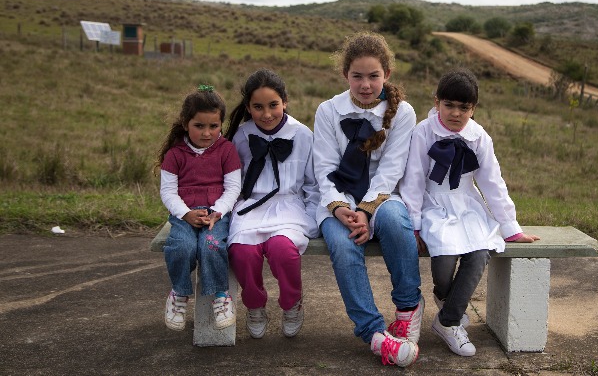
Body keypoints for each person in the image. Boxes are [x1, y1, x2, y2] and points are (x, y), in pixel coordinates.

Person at [399, 69, 540, 357]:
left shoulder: (479, 137)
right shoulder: (423, 132)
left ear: (473, 109)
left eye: (464, 108)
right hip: (432, 205)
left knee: (479, 252)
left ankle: (448, 321)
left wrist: (511, 227)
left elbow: (492, 183)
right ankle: (446, 298)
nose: (455, 113)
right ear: (437, 102)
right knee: (444, 258)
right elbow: (413, 180)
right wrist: (413, 223)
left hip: (467, 204)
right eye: (449, 105)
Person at [312, 32, 424, 368]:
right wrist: (343, 209)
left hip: (382, 196)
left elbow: (391, 171)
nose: (365, 84)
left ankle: (408, 310)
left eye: (373, 76)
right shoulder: (328, 111)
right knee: (344, 244)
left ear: (386, 74)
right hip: (337, 198)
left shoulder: (402, 113)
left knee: (394, 221)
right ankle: (375, 335)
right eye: (357, 76)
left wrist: (366, 209)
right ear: (345, 75)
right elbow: (324, 169)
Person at [224, 69, 320, 339]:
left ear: (285, 101)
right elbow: (231, 181)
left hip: (289, 207)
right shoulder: (241, 136)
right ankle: (254, 305)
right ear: (248, 108)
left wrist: (312, 217)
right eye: (258, 107)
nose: (266, 114)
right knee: (242, 253)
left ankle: (292, 303)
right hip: (250, 206)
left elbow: (312, 184)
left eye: (273, 105)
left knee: (282, 250)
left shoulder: (302, 134)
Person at [158, 84, 242, 332]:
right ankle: (180, 293)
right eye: (199, 126)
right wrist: (185, 213)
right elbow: (168, 192)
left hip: (217, 214)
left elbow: (233, 188)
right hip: (183, 213)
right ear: (186, 123)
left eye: (213, 126)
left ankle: (220, 295)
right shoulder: (175, 154)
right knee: (181, 245)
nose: (207, 133)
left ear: (221, 125)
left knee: (211, 244)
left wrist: (218, 211)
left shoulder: (226, 150)